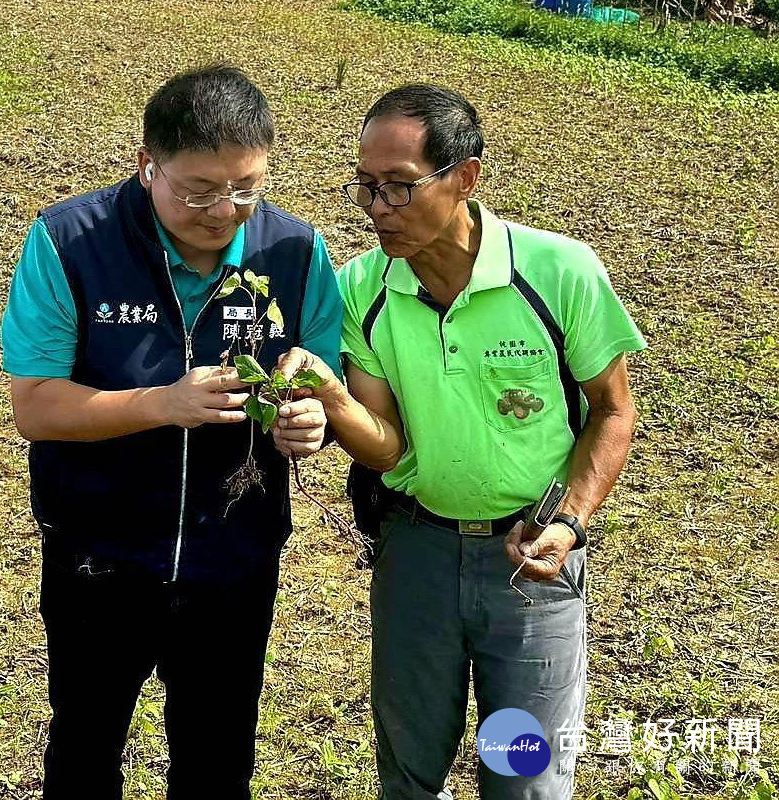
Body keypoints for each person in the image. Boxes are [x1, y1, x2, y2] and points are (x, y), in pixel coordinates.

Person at [276, 84, 646, 799]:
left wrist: (568, 523)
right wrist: (330, 392)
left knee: (525, 777)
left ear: (466, 177)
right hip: (417, 553)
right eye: (366, 186)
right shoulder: (361, 289)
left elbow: (611, 411)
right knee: (410, 774)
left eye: (400, 188)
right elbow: (384, 449)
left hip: (531, 560)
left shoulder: (559, 272)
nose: (378, 209)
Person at [0, 63, 344, 799]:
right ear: (146, 164)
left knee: (218, 757)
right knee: (86, 749)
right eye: (199, 189)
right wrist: (160, 403)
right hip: (100, 556)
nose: (225, 210)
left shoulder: (294, 251)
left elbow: (321, 382)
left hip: (235, 558)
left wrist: (312, 422)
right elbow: (35, 405)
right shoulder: (71, 241)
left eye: (247, 187)